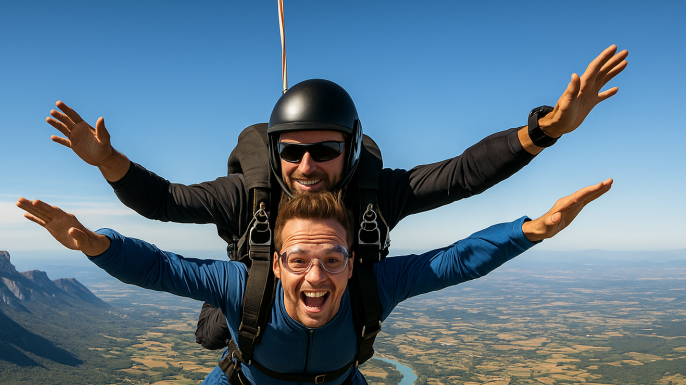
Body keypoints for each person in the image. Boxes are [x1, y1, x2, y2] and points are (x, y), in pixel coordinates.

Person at [45, 46, 628, 353]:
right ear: (273, 153)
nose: (306, 167)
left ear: (349, 149)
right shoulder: (244, 195)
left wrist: (547, 129)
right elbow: (164, 201)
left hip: (338, 308)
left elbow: (463, 174)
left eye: (323, 150)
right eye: (291, 152)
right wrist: (109, 164)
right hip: (256, 301)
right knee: (222, 338)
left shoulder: (379, 193)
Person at [17, 178, 612, 385]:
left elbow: (457, 260)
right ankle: (239, 374)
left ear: (353, 262)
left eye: (332, 259)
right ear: (274, 263)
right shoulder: (238, 286)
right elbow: (159, 268)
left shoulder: (375, 286)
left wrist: (533, 229)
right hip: (247, 382)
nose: (316, 275)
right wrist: (93, 244)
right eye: (299, 260)